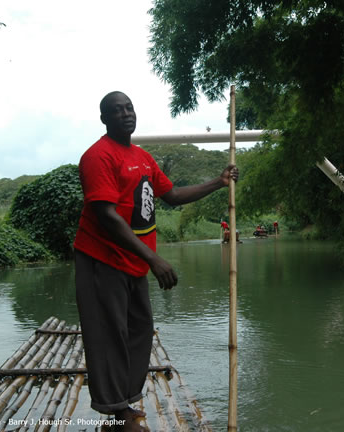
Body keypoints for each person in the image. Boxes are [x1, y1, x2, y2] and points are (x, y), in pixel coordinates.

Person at [73, 91, 238, 432]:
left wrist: (218, 183)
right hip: (102, 258)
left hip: (133, 261)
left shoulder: (143, 158)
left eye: (129, 108)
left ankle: (127, 400)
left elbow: (172, 196)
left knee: (140, 330)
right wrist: (154, 259)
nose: (125, 114)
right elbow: (106, 216)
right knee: (108, 334)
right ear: (104, 119)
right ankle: (119, 411)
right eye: (116, 111)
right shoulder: (98, 157)